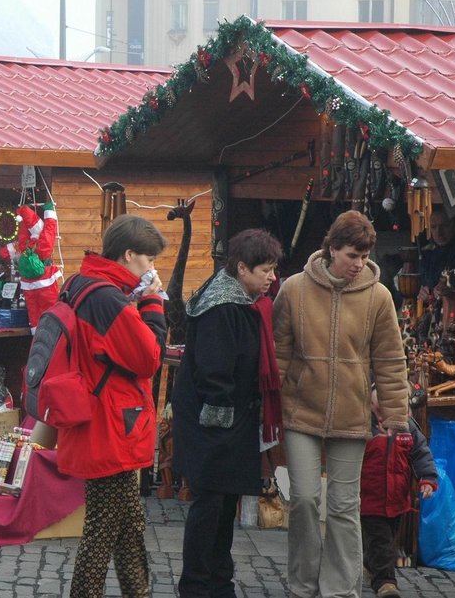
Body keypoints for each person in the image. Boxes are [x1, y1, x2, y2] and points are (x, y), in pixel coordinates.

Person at [273, 210, 409, 598]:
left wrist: (396, 415)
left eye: (365, 256)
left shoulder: (379, 296)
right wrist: (269, 410)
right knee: (302, 499)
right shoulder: (294, 290)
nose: (359, 264)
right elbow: (278, 353)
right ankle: (302, 585)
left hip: (351, 416)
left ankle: (340, 590)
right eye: (352, 254)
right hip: (300, 411)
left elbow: (389, 359)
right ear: (332, 248)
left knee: (344, 506)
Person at [59, 214, 167, 598]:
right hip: (111, 424)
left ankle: (138, 592)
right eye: (148, 260)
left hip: (98, 418)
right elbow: (149, 356)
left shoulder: (81, 283)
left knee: (128, 526)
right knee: (104, 529)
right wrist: (153, 299)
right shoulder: (108, 297)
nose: (152, 268)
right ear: (128, 254)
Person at [172, 228, 284, 598]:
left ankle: (218, 583)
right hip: (215, 427)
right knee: (211, 507)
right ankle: (197, 587)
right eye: (265, 270)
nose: (272, 277)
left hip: (227, 425)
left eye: (272, 269)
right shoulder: (223, 309)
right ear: (241, 269)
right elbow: (215, 373)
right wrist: (222, 429)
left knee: (223, 507)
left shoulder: (239, 303)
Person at [360, 389, 437, 598]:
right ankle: (386, 583)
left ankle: (371, 564)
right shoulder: (363, 425)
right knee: (381, 540)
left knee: (386, 539)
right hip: (370, 499)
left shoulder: (407, 427)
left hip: (397, 500)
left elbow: (421, 454)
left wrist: (427, 479)